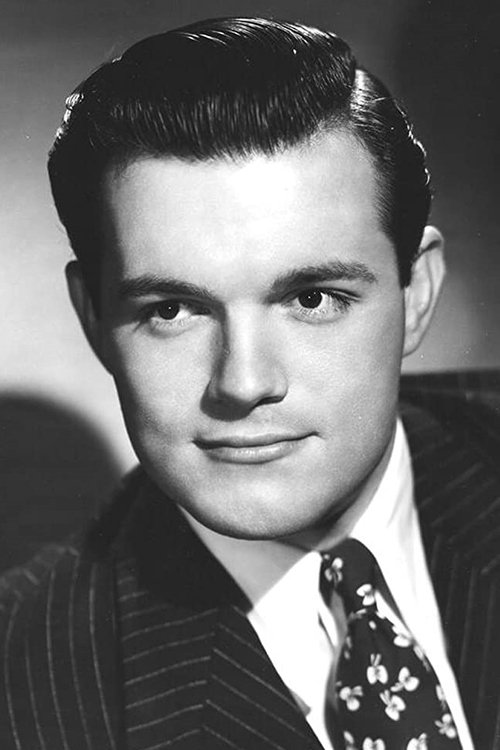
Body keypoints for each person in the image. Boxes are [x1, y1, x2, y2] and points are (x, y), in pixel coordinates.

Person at [1, 16, 498, 750]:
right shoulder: (24, 691)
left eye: (311, 299)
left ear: (416, 293)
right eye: (172, 310)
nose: (244, 382)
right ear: (94, 318)